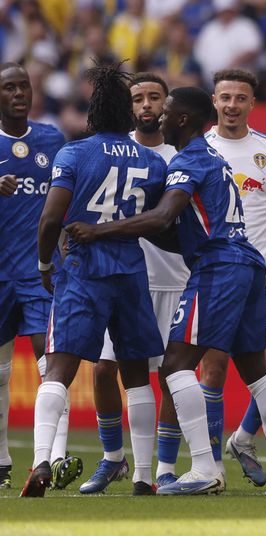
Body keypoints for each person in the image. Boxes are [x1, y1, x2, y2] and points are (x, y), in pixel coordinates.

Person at [63, 86, 266, 496]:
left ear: (183, 120)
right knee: (255, 372)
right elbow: (178, 233)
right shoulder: (215, 158)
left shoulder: (189, 159)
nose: (159, 117)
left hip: (218, 267)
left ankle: (205, 469)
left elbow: (162, 217)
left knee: (174, 365)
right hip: (246, 261)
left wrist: (97, 230)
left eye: (167, 111)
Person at [20, 65, 168, 497]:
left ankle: (42, 460)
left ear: (92, 113)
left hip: (84, 271)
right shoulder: (152, 160)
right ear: (127, 115)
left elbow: (50, 219)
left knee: (59, 368)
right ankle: (143, 476)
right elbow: (157, 222)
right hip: (131, 272)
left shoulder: (74, 153)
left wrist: (46, 264)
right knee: (137, 375)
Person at [85, 73, 192, 494]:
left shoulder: (177, 156)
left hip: (174, 278)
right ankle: (113, 459)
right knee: (103, 369)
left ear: (167, 105)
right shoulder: (114, 151)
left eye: (154, 98)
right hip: (122, 276)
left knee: (169, 374)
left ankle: (163, 467)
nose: (146, 105)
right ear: (128, 106)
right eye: (138, 98)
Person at [203, 69, 266, 488]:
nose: (232, 105)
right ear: (214, 101)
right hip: (216, 273)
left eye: (240, 98)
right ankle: (209, 468)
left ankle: (244, 436)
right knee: (212, 369)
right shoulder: (199, 149)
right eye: (225, 97)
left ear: (251, 103)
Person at [0, 62, 71, 491]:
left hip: (41, 274)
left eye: (23, 86)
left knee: (52, 365)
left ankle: (55, 458)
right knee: (1, 372)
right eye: (9, 88)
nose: (18, 94)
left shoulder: (51, 139)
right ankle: (3, 459)